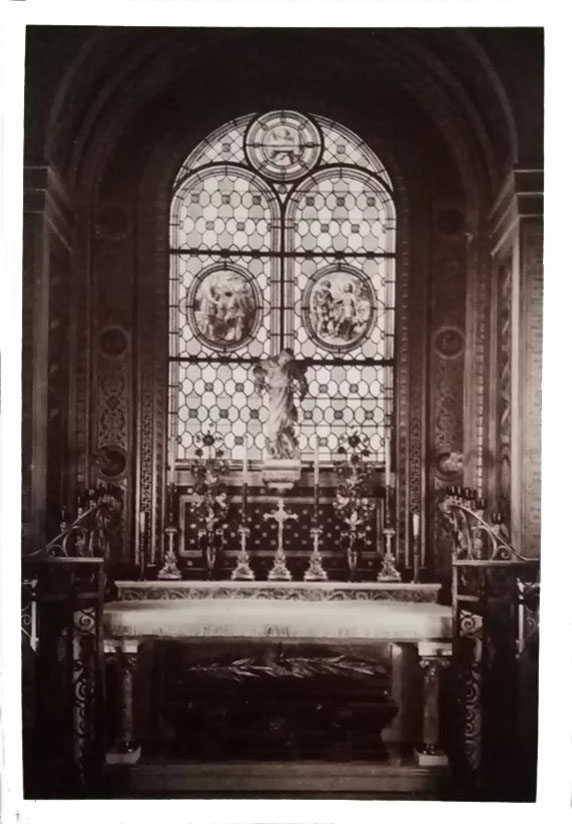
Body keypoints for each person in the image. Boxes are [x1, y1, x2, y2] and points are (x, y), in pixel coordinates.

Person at [253, 348, 308, 459]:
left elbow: (299, 376)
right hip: (275, 393)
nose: (286, 362)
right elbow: (256, 371)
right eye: (285, 359)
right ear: (280, 356)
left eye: (288, 360)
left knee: (287, 415)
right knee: (276, 416)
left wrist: (303, 386)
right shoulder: (269, 363)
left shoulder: (289, 365)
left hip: (287, 393)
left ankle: (286, 439)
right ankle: (274, 442)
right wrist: (261, 377)